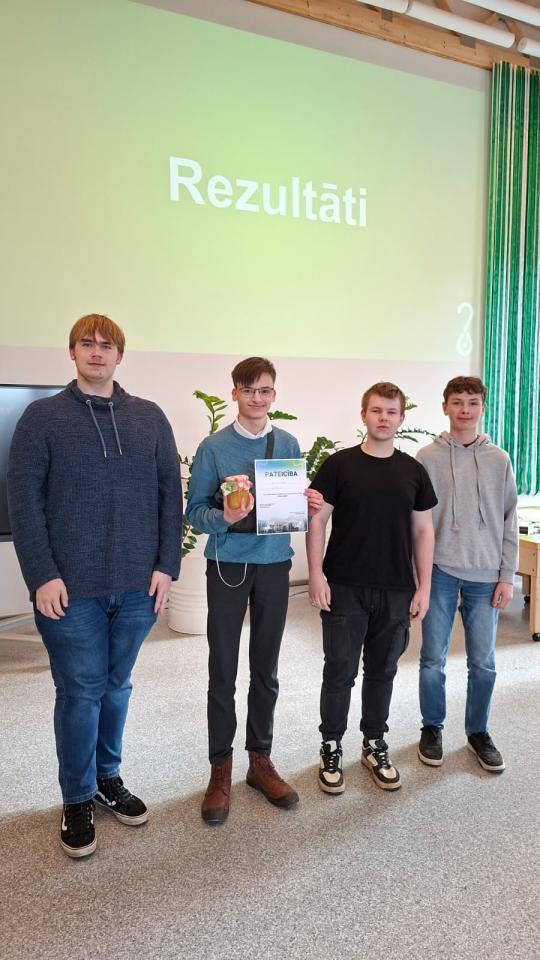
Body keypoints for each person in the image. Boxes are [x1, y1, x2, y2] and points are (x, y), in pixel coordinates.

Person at [7, 314, 182, 857]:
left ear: (120, 356)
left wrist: (166, 565)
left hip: (137, 586)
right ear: (73, 352)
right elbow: (24, 502)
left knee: (116, 686)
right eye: (88, 343)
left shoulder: (149, 417)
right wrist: (42, 574)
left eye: (107, 345)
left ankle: (108, 778)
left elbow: (169, 495)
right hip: (70, 590)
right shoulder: (42, 418)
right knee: (81, 692)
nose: (97, 352)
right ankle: (77, 796)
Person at [186, 356, 322, 825]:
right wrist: (223, 517)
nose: (257, 398)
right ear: (235, 394)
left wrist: (307, 503)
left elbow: (292, 507)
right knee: (223, 668)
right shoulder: (213, 448)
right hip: (228, 564)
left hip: (273, 565)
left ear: (274, 395)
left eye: (264, 391)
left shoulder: (287, 443)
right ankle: (220, 768)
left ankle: (260, 761)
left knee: (266, 667)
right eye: (248, 391)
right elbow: (194, 512)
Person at [307, 382, 436, 794]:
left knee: (382, 671)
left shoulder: (413, 471)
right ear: (363, 415)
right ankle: (331, 745)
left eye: (391, 411)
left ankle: (374, 743)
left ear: (401, 418)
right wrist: (316, 574)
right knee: (339, 671)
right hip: (345, 586)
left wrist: (424, 587)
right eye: (376, 410)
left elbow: (423, 531)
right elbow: (317, 520)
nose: (383, 418)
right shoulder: (339, 464)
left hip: (396, 589)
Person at [416, 376, 518, 773]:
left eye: (472, 402)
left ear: (482, 408)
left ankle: (478, 731)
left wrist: (506, 575)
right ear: (445, 407)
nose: (464, 409)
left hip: (486, 575)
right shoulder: (427, 457)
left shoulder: (499, 459)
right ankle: (432, 727)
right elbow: (418, 522)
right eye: (457, 402)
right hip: (440, 570)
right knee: (431, 658)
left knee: (483, 663)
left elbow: (509, 521)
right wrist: (419, 576)